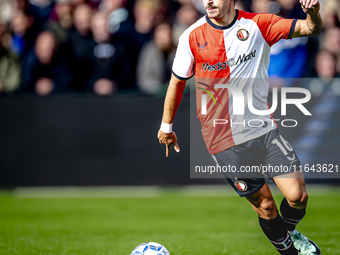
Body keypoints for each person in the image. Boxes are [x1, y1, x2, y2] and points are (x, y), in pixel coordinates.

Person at [157, 0, 323, 254]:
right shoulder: (191, 36)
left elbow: (310, 29)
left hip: (263, 128)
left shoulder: (259, 24)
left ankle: (289, 234)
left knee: (298, 197)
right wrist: (166, 127)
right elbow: (176, 84)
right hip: (223, 138)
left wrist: (314, 13)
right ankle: (290, 251)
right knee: (266, 206)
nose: (208, 1)